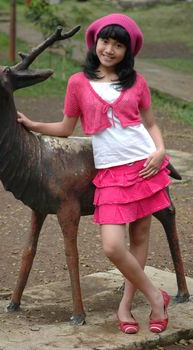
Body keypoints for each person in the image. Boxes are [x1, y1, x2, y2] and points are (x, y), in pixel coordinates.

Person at [17, 13, 170, 334]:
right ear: (94, 42)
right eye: (105, 41)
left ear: (128, 50)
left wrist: (160, 151)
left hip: (145, 165)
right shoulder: (78, 83)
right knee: (113, 246)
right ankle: (156, 295)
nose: (110, 49)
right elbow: (66, 127)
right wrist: (33, 125)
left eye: (118, 44)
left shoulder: (137, 82)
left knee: (139, 238)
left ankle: (127, 305)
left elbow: (150, 123)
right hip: (111, 173)